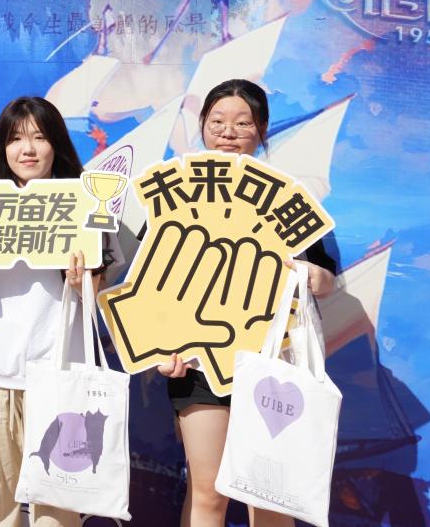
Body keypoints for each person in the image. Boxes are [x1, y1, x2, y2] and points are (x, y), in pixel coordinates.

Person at [158, 79, 337, 527]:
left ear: (262, 130)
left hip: (272, 364)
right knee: (208, 492)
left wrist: (310, 275)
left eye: (243, 123)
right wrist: (160, 348)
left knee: (271, 495)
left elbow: (325, 278)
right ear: (202, 125)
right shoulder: (176, 192)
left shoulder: (287, 197)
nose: (228, 132)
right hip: (198, 366)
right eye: (217, 121)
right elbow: (152, 281)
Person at [0, 96, 116, 527]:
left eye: (39, 137)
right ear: (3, 148)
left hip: (59, 376)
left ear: (57, 145)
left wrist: (81, 280)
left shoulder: (87, 207)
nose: (28, 149)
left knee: (58, 514)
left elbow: (96, 296)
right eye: (16, 139)